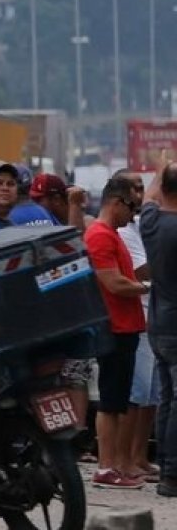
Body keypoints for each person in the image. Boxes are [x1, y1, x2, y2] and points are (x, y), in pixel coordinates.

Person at [86, 176, 151, 490]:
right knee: (111, 402)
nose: (132, 216)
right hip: (113, 327)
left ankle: (114, 465)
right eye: (131, 208)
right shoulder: (100, 236)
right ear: (116, 202)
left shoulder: (111, 235)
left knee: (119, 400)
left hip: (125, 327)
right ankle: (106, 466)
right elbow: (113, 282)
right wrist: (149, 287)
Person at [140, 162, 177, 496]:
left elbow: (150, 195)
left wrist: (164, 168)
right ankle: (174, 473)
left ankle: (167, 471)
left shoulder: (150, 224)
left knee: (167, 398)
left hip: (159, 324)